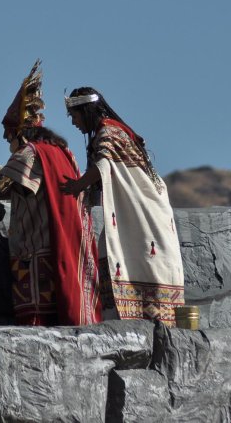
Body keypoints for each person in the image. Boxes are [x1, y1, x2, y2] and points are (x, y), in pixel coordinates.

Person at [0, 61, 101, 326]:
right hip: (68, 246)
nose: (5, 141)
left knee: (38, 328)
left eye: (8, 135)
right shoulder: (63, 153)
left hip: (36, 253)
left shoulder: (30, 152)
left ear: (18, 134)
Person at [61, 87, 185, 327]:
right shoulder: (112, 131)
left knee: (142, 259)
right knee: (119, 252)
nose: (74, 123)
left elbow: (103, 167)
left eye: (74, 116)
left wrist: (77, 186)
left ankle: (145, 322)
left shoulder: (108, 132)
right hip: (140, 211)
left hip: (144, 214)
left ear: (86, 111)